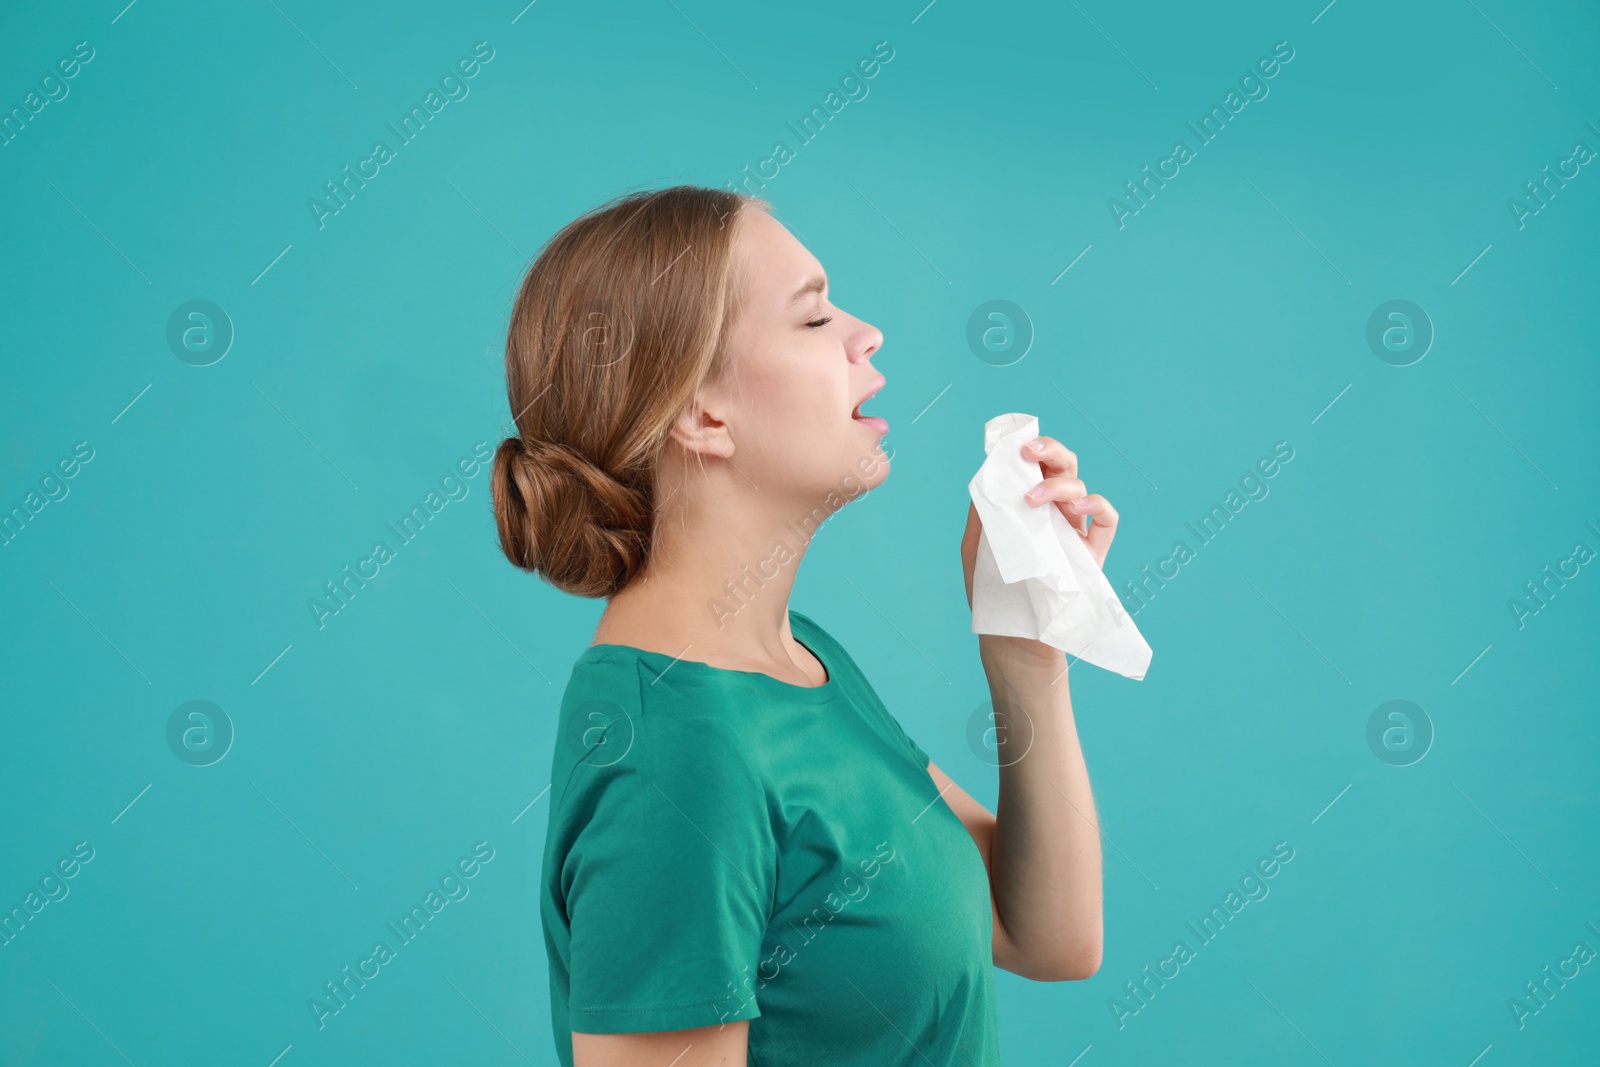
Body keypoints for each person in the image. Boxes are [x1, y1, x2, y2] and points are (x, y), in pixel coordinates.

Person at [489, 185, 1108, 1067]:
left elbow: (1047, 934)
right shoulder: (671, 751)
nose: (866, 334)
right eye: (814, 318)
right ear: (701, 413)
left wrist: (1025, 658)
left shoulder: (800, 660)